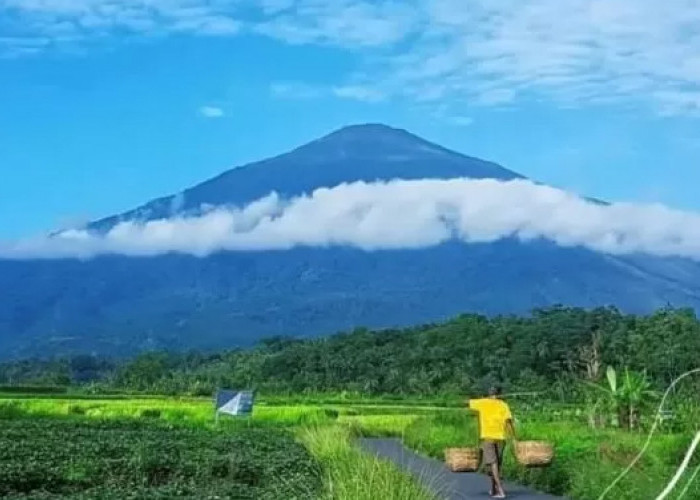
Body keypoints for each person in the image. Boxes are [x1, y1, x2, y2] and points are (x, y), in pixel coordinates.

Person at [467, 385, 516, 499]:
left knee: (493, 464)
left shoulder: (482, 403)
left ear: (489, 393)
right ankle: (494, 489)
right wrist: (514, 437)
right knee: (496, 464)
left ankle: (500, 490)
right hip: (500, 438)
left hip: (488, 437)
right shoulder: (504, 405)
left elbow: (468, 402)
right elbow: (509, 422)